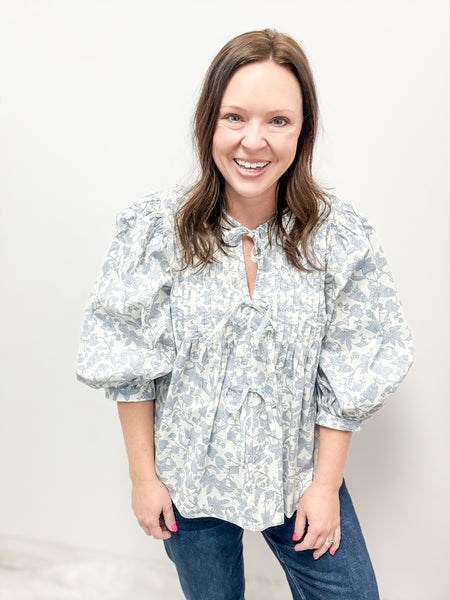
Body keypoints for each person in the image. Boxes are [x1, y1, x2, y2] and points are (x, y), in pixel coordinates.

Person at [77, 29, 414, 600]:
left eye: (277, 121)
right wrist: (144, 478)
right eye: (234, 117)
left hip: (297, 475)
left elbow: (354, 365)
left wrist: (325, 486)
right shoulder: (158, 231)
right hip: (187, 479)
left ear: (302, 129)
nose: (253, 141)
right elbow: (130, 359)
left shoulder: (338, 235)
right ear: (208, 122)